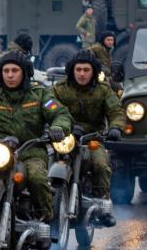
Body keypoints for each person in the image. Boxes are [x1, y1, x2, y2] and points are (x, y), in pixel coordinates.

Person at [0, 50, 73, 224]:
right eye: (6, 71)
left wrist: (58, 128)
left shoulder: (40, 95)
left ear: (24, 73)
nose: (10, 75)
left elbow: (60, 113)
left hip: (30, 151)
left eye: (15, 70)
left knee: (37, 178)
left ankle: (45, 219)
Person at [52, 50, 126, 226]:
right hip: (65, 138)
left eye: (86, 70)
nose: (82, 74)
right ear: (72, 70)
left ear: (93, 71)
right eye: (78, 69)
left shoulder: (103, 90)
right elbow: (48, 107)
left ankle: (103, 206)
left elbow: (116, 111)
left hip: (92, 140)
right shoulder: (59, 89)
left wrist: (116, 127)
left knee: (101, 165)